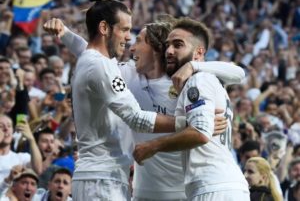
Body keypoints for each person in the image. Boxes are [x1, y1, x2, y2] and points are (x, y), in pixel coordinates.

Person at [44, 15, 245, 200]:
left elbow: (238, 73)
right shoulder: (127, 75)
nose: (131, 47)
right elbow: (92, 54)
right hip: (144, 192)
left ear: (155, 48)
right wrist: (65, 33)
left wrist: (194, 66)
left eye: (139, 41)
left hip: (182, 191)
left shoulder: (184, 80)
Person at [133, 17, 250, 200]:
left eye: (178, 45)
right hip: (228, 185)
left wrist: (153, 146)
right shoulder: (213, 79)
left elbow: (200, 133)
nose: (169, 51)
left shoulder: (198, 80)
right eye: (168, 46)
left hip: (212, 187)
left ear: (198, 52)